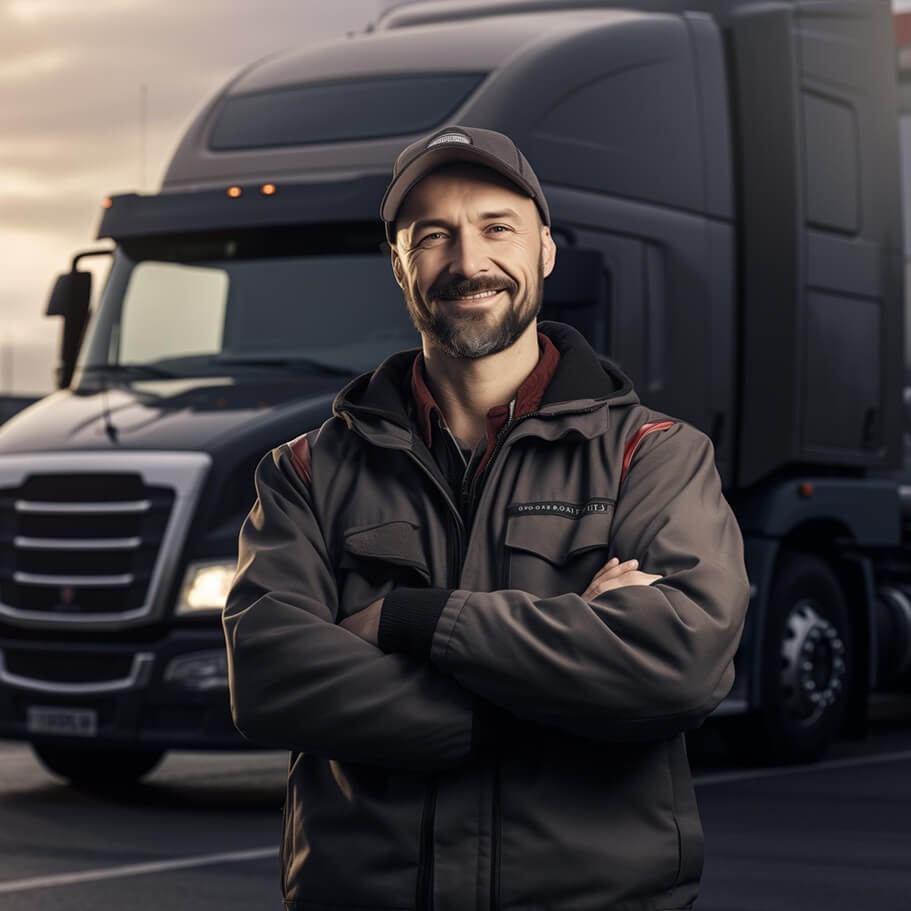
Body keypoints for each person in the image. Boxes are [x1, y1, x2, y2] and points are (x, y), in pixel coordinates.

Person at [222, 124, 750, 911]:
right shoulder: (304, 470)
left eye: (496, 227)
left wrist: (408, 618)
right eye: (432, 236)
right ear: (398, 265)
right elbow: (270, 677)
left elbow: (680, 663)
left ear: (544, 248)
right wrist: (560, 691)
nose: (468, 263)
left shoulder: (654, 454)